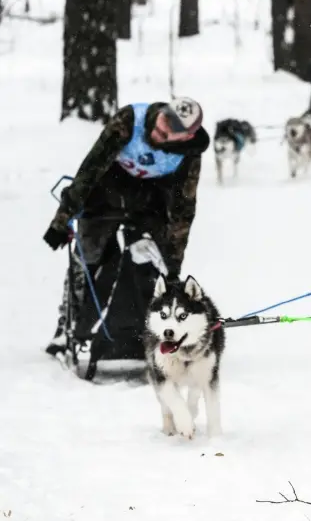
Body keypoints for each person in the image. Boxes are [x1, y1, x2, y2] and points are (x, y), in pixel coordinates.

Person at [43, 97, 210, 358]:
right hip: (105, 195)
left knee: (153, 261)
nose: (157, 132)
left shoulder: (190, 153)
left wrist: (174, 264)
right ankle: (69, 325)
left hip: (149, 204)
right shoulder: (130, 121)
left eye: (167, 134)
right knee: (88, 256)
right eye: (160, 123)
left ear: (186, 137)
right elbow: (90, 168)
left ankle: (154, 330)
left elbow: (183, 208)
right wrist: (62, 219)